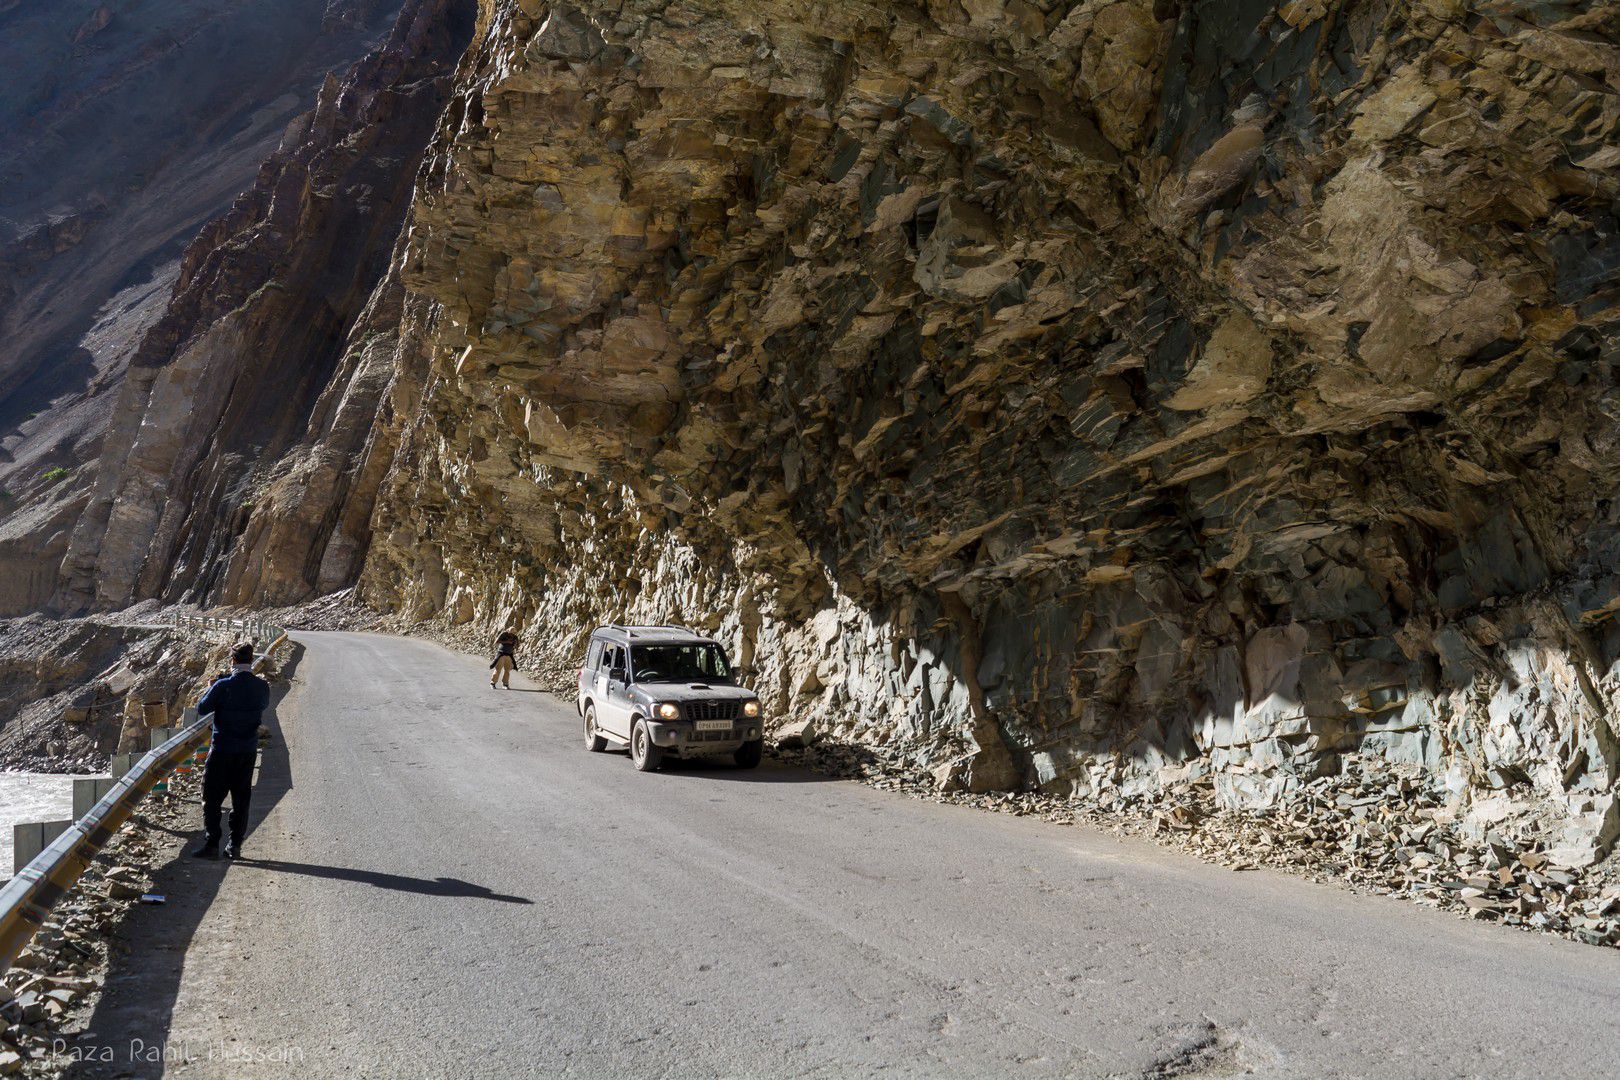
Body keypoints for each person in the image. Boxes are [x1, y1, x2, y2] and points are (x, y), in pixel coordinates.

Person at [191, 641, 269, 861]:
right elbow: (262, 705)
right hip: (247, 750)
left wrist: (212, 686)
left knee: (212, 796)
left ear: (233, 660)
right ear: (251, 660)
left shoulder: (222, 686)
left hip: (222, 748)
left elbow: (202, 708)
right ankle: (234, 845)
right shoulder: (262, 687)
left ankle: (212, 842)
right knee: (241, 798)